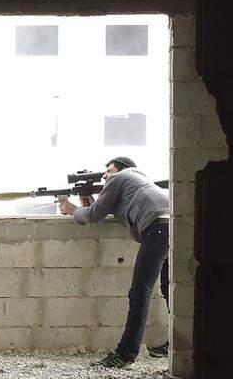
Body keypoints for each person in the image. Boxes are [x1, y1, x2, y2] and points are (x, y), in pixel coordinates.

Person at [58, 157, 170, 369]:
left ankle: (125, 354)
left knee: (140, 292)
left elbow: (92, 215)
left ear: (122, 170)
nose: (105, 175)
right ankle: (175, 344)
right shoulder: (137, 183)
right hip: (171, 224)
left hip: (157, 229)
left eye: (108, 170)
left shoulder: (120, 177)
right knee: (169, 287)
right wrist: (93, 204)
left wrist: (73, 210)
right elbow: (106, 211)